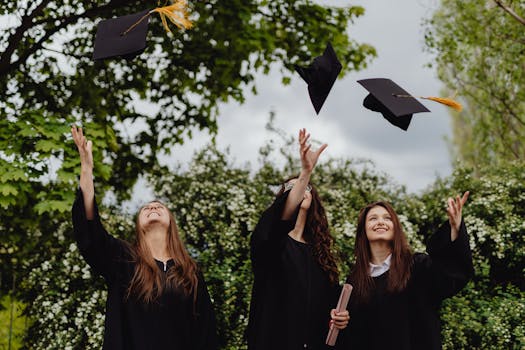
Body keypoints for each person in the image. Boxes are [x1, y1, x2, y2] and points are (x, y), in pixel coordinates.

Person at [70, 125, 217, 350]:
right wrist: (87, 168)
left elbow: (205, 333)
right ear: (139, 226)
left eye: (159, 206)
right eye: (146, 208)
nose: (152, 207)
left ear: (171, 224)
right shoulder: (123, 260)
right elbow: (91, 233)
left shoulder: (190, 272)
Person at [247, 128, 349, 350]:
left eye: (306, 187)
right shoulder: (270, 244)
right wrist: (305, 172)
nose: (300, 190)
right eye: (291, 188)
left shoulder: (321, 255)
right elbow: (278, 223)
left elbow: (330, 307)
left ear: (313, 200)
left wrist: (339, 316)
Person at [338, 192, 473, 350]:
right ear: (363, 231)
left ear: (395, 228)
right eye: (373, 218)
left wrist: (455, 228)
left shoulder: (417, 266)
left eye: (387, 218)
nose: (381, 222)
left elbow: (452, 277)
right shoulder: (355, 280)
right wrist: (343, 322)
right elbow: (355, 336)